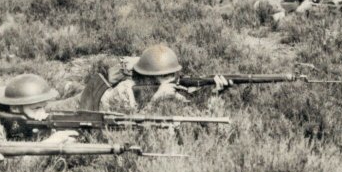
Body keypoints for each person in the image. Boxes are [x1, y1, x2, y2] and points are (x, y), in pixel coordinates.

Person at [76, 44, 231, 112]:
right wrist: (156, 99)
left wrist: (215, 95)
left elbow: (193, 115)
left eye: (174, 74)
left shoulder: (169, 90)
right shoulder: (126, 91)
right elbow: (129, 125)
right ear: (148, 78)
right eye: (165, 76)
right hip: (82, 103)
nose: (173, 80)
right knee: (62, 98)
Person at [0, 74, 78, 144]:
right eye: (36, 108)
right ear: (15, 109)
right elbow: (9, 164)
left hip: (10, 99)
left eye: (43, 107)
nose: (42, 113)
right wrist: (51, 143)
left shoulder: (25, 112)